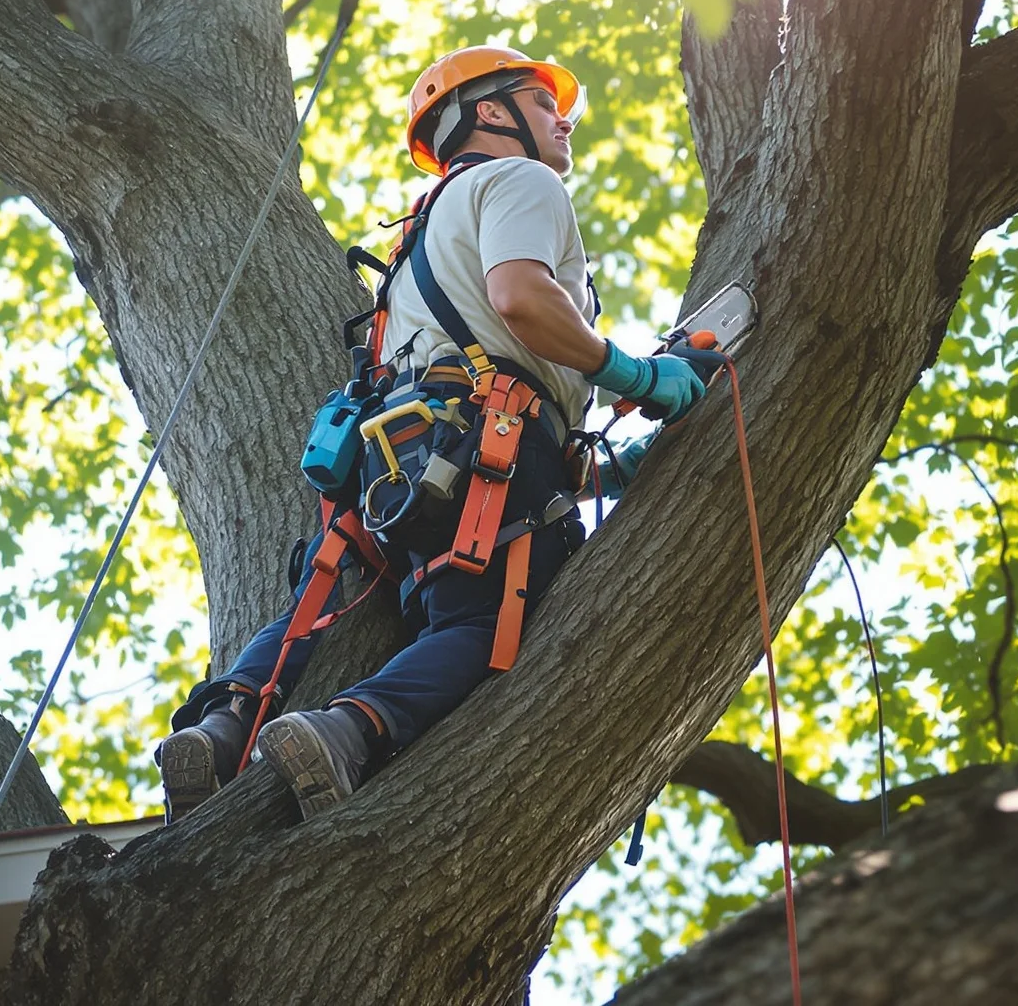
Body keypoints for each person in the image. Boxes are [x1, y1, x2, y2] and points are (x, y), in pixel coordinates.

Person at [155, 45, 709, 820]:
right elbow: (521, 300)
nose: (564, 123)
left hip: (399, 465)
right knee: (482, 619)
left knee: (325, 602)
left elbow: (478, 356)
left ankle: (220, 729)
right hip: (485, 445)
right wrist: (638, 375)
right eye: (545, 105)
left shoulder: (417, 238)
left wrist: (603, 473)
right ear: (491, 112)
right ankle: (346, 730)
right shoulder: (520, 180)